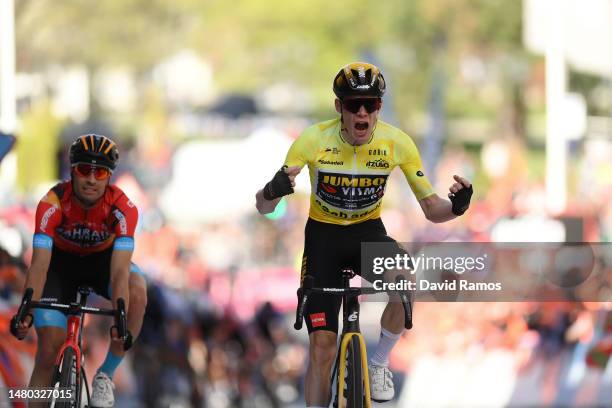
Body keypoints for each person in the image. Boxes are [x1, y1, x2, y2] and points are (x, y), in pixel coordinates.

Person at [255, 62, 473, 406]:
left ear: (379, 108)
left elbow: (432, 210)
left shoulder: (397, 143)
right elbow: (264, 208)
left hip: (367, 235)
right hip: (323, 239)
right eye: (353, 104)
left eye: (369, 104)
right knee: (322, 349)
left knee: (405, 280)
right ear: (338, 106)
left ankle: (378, 362)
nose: (361, 112)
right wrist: (271, 190)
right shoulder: (312, 140)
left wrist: (457, 207)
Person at [10, 134, 147, 408]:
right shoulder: (52, 202)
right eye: (85, 169)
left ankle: (105, 375)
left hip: (102, 265)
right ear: (73, 170)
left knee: (137, 290)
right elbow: (39, 264)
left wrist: (120, 314)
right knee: (48, 351)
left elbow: (119, 270)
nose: (91, 179)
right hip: (59, 268)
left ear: (110, 176)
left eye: (100, 172)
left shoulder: (124, 208)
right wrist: (25, 310)